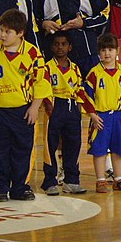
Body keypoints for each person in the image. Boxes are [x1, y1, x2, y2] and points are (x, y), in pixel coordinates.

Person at [0, 8, 51, 202]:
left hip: (22, 110)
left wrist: (35, 107)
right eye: (1, 31)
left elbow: (41, 81)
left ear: (20, 33)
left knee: (23, 148)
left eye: (8, 32)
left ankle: (20, 186)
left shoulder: (32, 53)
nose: (3, 35)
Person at [85, 33, 121, 193]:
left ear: (117, 51)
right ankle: (101, 180)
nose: (107, 53)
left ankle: (118, 179)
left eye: (110, 49)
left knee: (119, 149)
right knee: (99, 149)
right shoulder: (94, 74)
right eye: (103, 50)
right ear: (99, 53)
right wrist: (92, 115)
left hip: (120, 116)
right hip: (101, 117)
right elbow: (86, 96)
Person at [42, 31, 91, 195]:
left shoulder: (75, 68)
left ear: (69, 47)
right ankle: (50, 181)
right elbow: (44, 87)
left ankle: (72, 181)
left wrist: (81, 108)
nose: (60, 47)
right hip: (55, 105)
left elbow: (79, 90)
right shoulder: (47, 67)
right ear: (52, 47)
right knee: (51, 146)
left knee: (73, 144)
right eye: (57, 44)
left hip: (72, 108)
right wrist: (49, 106)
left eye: (64, 44)